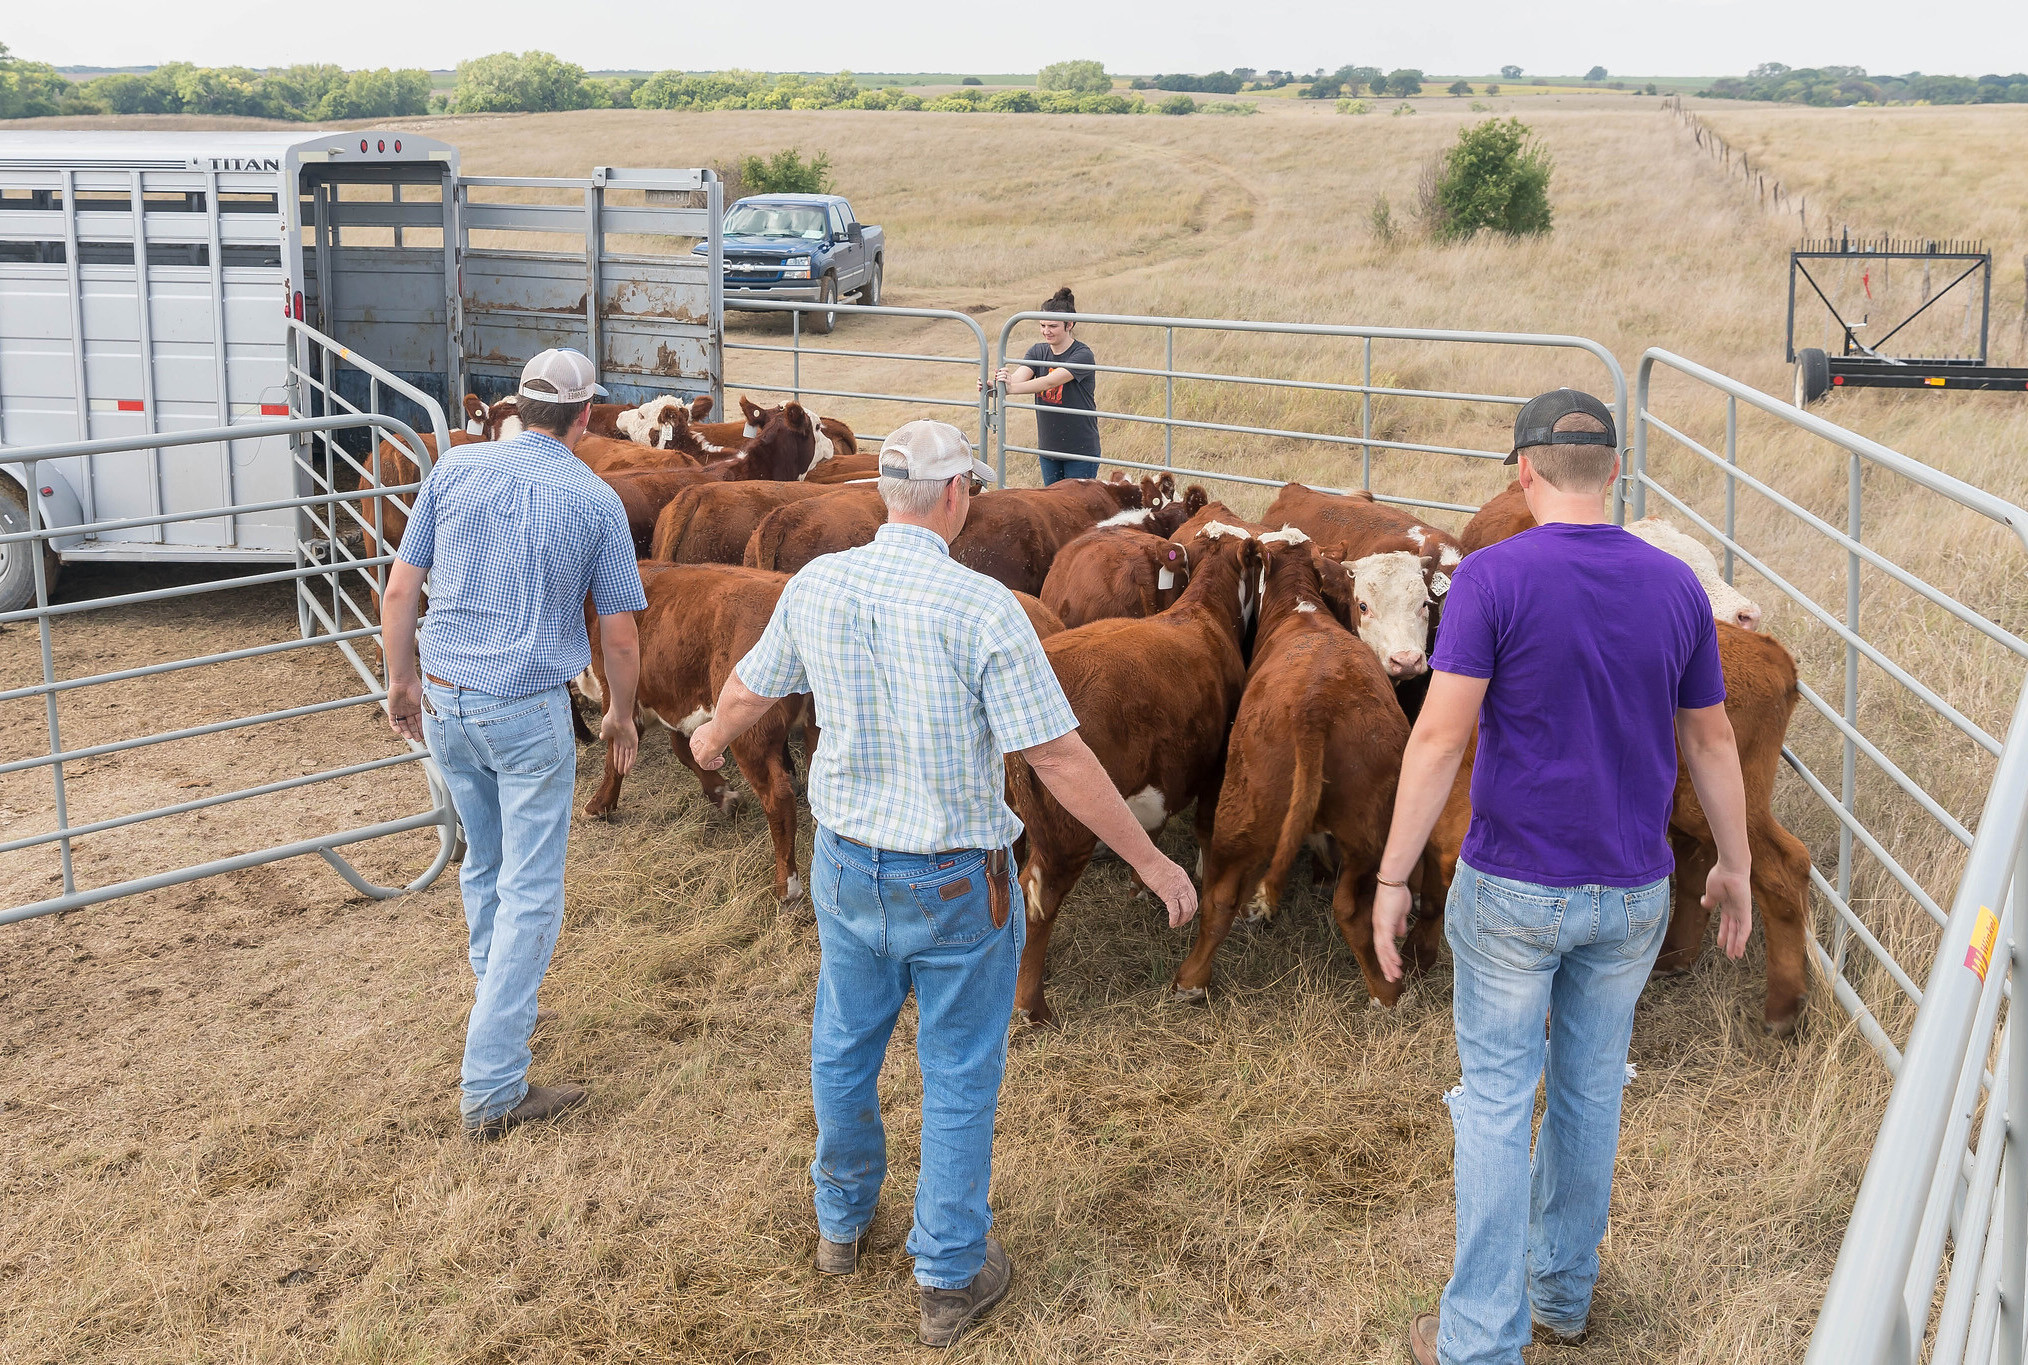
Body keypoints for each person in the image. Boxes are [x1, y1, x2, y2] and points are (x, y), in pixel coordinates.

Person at [689, 419, 1198, 1348]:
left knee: (845, 1045)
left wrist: (711, 739)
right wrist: (1153, 858)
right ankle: (949, 1274)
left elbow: (748, 688)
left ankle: (840, 1224)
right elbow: (1058, 756)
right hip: (956, 876)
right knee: (958, 1074)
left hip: (846, 864)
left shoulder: (820, 584)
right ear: (959, 494)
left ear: (888, 491)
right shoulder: (984, 608)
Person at [1370, 390, 1753, 1365]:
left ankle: (1480, 1341)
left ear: (1524, 473)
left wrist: (1391, 879)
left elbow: (1440, 737)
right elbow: (1709, 739)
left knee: (1498, 1101)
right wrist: (1736, 864)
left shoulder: (1494, 580)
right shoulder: (1673, 585)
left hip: (1513, 886)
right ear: (1614, 473)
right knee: (1588, 1090)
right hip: (1629, 890)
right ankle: (1562, 1298)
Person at [381, 348, 646, 1142]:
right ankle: (493, 1085)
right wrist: (622, 716)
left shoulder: (454, 470)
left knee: (487, 864)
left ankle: (502, 996)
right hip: (527, 709)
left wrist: (403, 680)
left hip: (450, 697)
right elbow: (620, 629)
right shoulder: (594, 500)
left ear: (514, 405)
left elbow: (401, 588)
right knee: (531, 885)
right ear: (585, 415)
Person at [993, 285, 1101, 484]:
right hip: (1048, 448)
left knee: (1077, 510)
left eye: (1052, 326)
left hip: (1080, 450)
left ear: (1070, 325)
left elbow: (1051, 381)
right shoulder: (1037, 351)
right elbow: (1017, 378)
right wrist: (995, 387)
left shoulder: (1082, 354)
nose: (1046, 331)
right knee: (1054, 511)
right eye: (1042, 325)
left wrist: (1010, 389)